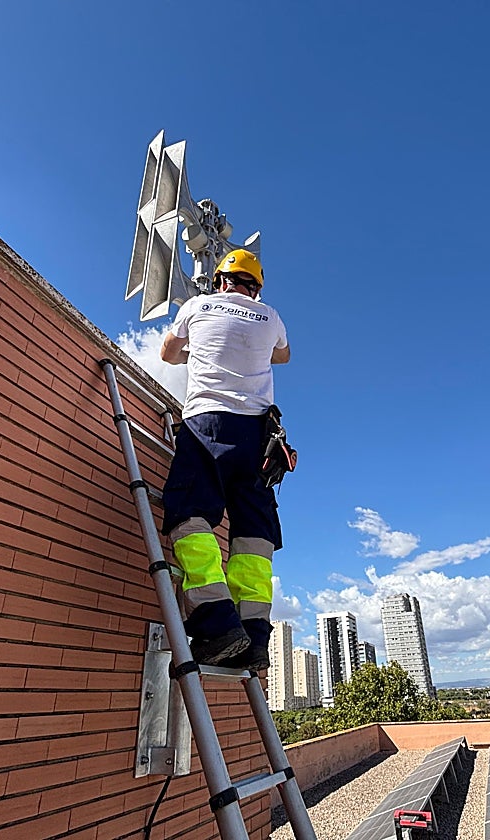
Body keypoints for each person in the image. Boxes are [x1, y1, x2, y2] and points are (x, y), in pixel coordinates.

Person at [159, 248, 290, 669]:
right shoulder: (270, 316)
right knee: (253, 533)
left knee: (189, 511)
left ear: (219, 281)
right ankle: (253, 638)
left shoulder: (197, 306)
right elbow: (281, 355)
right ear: (256, 287)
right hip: (258, 437)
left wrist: (197, 350)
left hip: (208, 425)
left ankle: (216, 623)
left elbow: (167, 353)